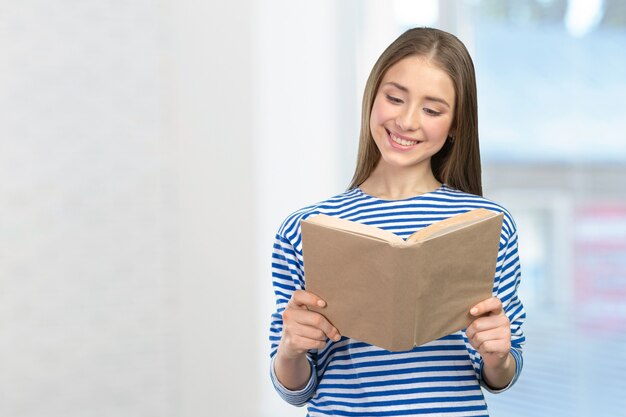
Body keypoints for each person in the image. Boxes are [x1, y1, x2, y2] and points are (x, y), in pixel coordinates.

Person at [268, 27, 526, 416]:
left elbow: (502, 374)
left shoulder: (488, 225)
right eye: (394, 98)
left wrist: (499, 355)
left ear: (456, 124)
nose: (406, 121)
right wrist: (290, 348)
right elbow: (295, 389)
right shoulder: (305, 227)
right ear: (373, 97)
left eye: (432, 110)